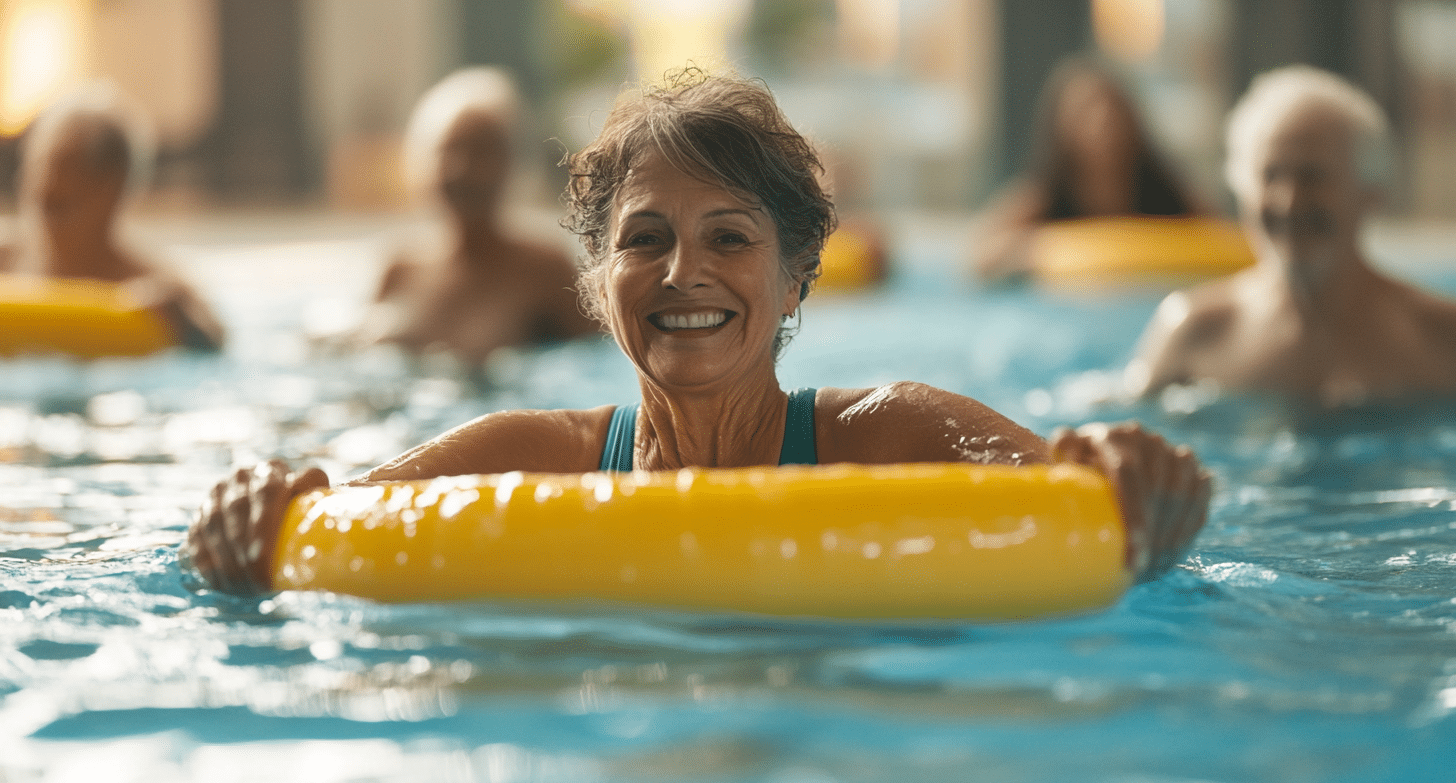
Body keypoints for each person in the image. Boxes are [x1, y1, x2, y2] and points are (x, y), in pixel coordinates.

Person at [187, 69, 1211, 598]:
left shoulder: (902, 434)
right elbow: (319, 519)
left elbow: (1101, 507)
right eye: (644, 239)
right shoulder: (526, 459)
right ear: (596, 283)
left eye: (729, 237)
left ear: (795, 274)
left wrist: (1133, 484)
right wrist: (253, 507)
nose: (684, 274)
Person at [1126, 65, 1456, 407]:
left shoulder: (1444, 337)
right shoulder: (1194, 331)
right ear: (1241, 190)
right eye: (1270, 175)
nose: (1290, 201)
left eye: (1312, 176)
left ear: (1372, 192)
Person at [348, 68, 597, 366]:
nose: (463, 169)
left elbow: (596, 365)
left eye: (483, 151)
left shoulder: (545, 271)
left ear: (513, 162)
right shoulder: (397, 267)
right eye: (449, 150)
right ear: (420, 161)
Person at [7, 84, 224, 351]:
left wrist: (184, 324)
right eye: (41, 162)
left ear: (112, 188)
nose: (45, 182)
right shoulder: (7, 258)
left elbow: (217, 344)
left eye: (65, 163)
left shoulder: (153, 286)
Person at [974, 58, 1204, 283]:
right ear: (1061, 126)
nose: (1104, 118)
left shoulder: (1168, 193)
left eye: (1113, 106)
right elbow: (978, 256)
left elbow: (1225, 241)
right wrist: (1037, 251)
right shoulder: (1042, 199)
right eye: (1087, 108)